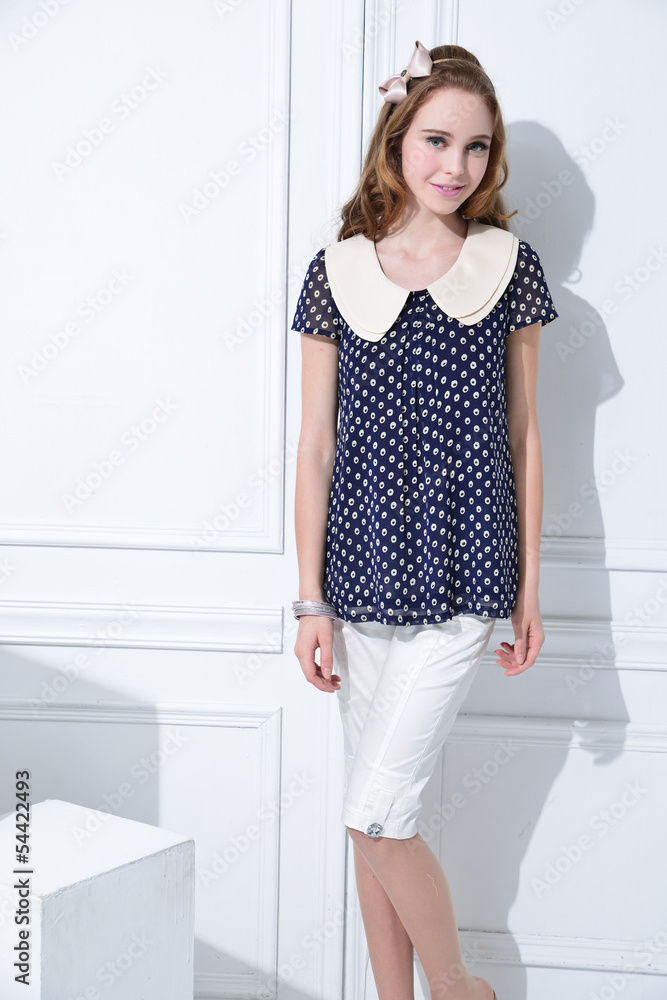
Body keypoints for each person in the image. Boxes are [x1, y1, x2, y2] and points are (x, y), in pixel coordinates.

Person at [291, 39, 559, 1000]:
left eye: (476, 147)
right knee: (373, 819)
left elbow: (524, 437)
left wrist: (530, 588)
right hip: (357, 578)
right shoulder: (335, 270)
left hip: (466, 572)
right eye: (437, 140)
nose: (456, 165)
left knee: (375, 813)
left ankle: (458, 990)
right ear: (397, 139)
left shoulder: (506, 266)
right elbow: (314, 447)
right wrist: (308, 601)